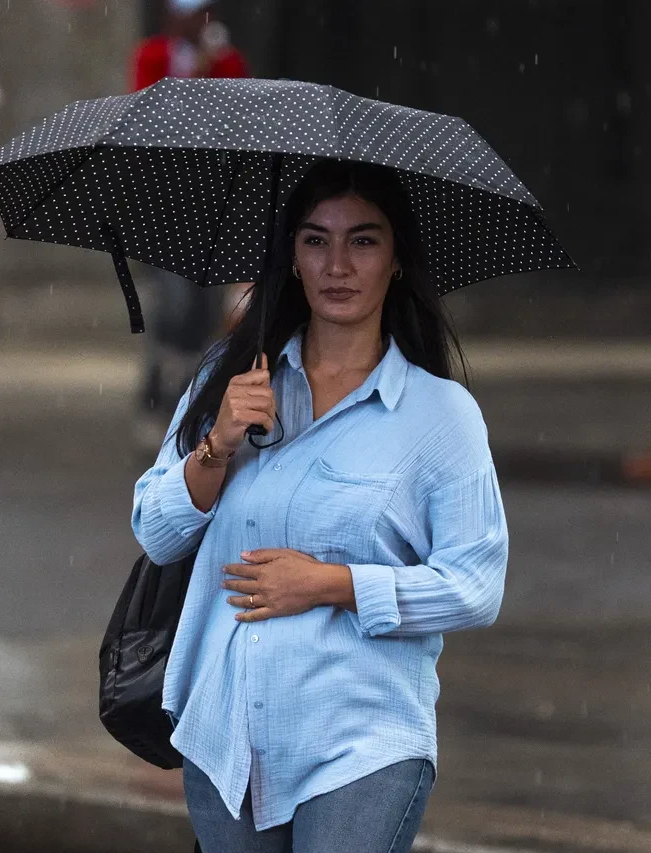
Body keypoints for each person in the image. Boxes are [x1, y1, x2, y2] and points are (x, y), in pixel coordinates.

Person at [133, 160, 508, 852]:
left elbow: (475, 585)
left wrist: (331, 584)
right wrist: (217, 443)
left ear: (396, 260)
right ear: (292, 258)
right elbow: (156, 533)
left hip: (360, 736)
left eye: (363, 241)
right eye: (316, 240)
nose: (338, 263)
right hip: (226, 731)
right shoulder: (231, 382)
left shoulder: (439, 415)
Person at [131, 0, 252, 451]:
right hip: (164, 208)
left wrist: (214, 65)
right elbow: (151, 113)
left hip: (213, 207)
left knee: (204, 314)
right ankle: (155, 401)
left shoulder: (228, 60)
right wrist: (195, 72)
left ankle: (195, 404)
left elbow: (239, 119)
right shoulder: (154, 56)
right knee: (171, 310)